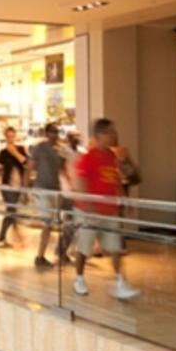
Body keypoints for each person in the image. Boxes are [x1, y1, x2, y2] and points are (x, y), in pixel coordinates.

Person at [72, 118, 140, 300]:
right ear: (100, 135)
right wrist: (89, 206)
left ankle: (120, 282)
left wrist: (124, 200)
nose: (114, 135)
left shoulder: (111, 156)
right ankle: (79, 278)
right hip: (90, 211)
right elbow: (81, 183)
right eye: (110, 132)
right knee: (84, 247)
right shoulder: (88, 157)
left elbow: (115, 180)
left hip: (109, 211)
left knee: (115, 248)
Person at [28, 124, 67, 268]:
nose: (55, 135)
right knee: (47, 223)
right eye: (52, 132)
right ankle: (40, 256)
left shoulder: (60, 149)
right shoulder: (40, 148)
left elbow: (63, 169)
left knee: (57, 223)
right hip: (42, 188)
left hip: (55, 189)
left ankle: (60, 252)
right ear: (46, 133)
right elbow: (30, 166)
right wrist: (27, 188)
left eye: (57, 132)